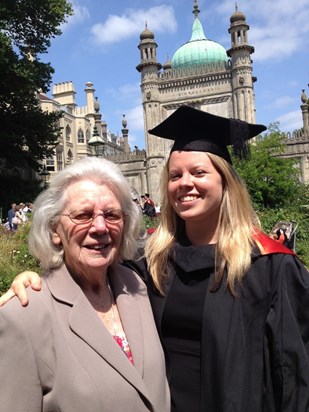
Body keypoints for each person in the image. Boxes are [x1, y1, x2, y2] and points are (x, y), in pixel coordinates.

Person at [2, 105, 309, 411]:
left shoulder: (271, 267)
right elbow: (84, 267)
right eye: (175, 175)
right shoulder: (152, 262)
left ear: (226, 182)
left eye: (199, 172)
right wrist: (33, 278)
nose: (185, 183)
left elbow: (292, 378)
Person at [0, 157, 169, 411]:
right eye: (83, 215)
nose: (100, 227)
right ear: (55, 229)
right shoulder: (24, 316)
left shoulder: (136, 285)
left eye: (111, 215)